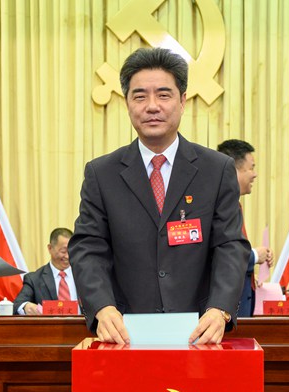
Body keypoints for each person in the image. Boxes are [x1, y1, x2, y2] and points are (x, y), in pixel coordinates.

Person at [69, 47, 250, 345]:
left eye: (164, 95)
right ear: (127, 103)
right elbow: (88, 246)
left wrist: (220, 309)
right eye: (140, 96)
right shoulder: (102, 173)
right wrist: (102, 306)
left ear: (183, 101)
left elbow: (230, 245)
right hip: (124, 334)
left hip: (199, 332)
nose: (152, 106)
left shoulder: (216, 169)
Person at [217, 139, 274, 316]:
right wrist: (255, 255)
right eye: (251, 168)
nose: (255, 174)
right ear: (233, 170)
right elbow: (220, 256)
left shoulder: (235, 205)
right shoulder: (217, 206)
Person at [13, 228, 78, 315]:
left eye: (71, 251)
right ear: (50, 248)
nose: (67, 256)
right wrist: (26, 307)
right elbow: (17, 305)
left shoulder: (84, 276)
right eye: (63, 251)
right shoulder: (34, 279)